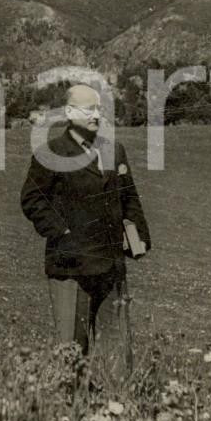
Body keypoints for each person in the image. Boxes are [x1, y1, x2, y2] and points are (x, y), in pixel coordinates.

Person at [20, 84, 151, 377]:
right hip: (71, 268)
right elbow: (32, 200)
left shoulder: (113, 149)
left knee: (116, 356)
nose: (96, 115)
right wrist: (63, 235)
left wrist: (137, 237)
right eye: (88, 109)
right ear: (68, 113)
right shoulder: (51, 152)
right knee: (71, 354)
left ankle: (113, 411)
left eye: (99, 109)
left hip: (111, 268)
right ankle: (70, 413)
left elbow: (129, 197)